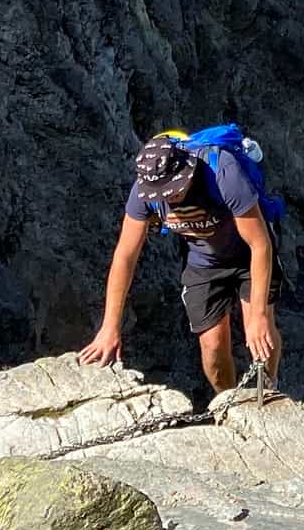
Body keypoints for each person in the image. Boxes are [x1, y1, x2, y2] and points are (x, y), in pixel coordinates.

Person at [79, 132, 279, 393]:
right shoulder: (144, 192)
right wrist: (109, 327)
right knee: (212, 347)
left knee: (260, 330)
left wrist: (259, 315)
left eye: (173, 190)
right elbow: (125, 256)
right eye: (162, 194)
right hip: (204, 263)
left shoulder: (223, 173)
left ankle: (269, 389)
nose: (168, 198)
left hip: (247, 255)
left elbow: (260, 245)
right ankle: (227, 401)